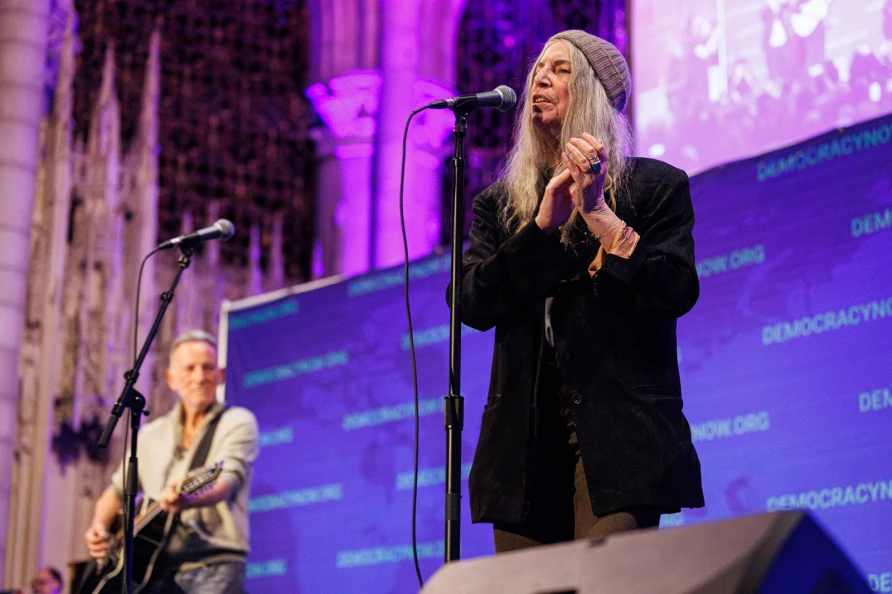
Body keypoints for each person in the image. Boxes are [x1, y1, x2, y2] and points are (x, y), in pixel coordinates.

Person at [458, 30, 704, 553]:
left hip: (620, 437)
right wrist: (542, 227)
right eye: (537, 69)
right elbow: (471, 302)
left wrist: (598, 215)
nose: (540, 78)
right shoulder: (501, 205)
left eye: (561, 69)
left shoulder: (654, 187)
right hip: (523, 443)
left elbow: (676, 288)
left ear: (593, 92)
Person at [84, 330, 259, 593]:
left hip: (214, 565)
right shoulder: (151, 433)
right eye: (190, 368)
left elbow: (226, 481)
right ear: (171, 378)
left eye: (208, 368)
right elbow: (116, 491)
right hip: (155, 569)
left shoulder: (237, 421)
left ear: (221, 375)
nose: (200, 377)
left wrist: (188, 500)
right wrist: (99, 527)